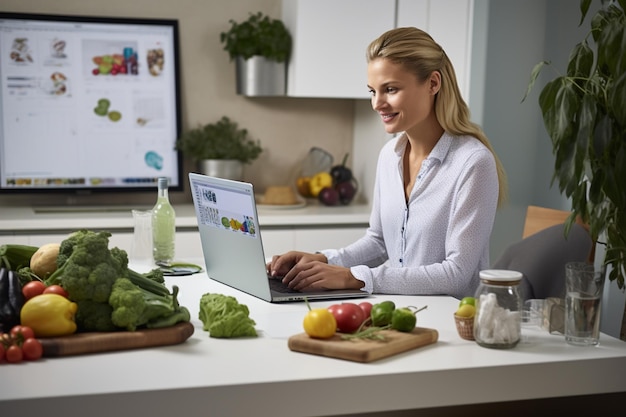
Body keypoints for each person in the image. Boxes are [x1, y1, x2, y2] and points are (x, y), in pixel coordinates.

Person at [267, 27, 508, 300]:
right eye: (373, 91)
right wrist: (322, 260)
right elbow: (379, 242)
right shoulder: (388, 156)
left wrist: (354, 277)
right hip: (396, 313)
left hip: (452, 323)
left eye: (390, 89)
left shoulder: (473, 163)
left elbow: (456, 274)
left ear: (433, 84)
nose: (377, 104)